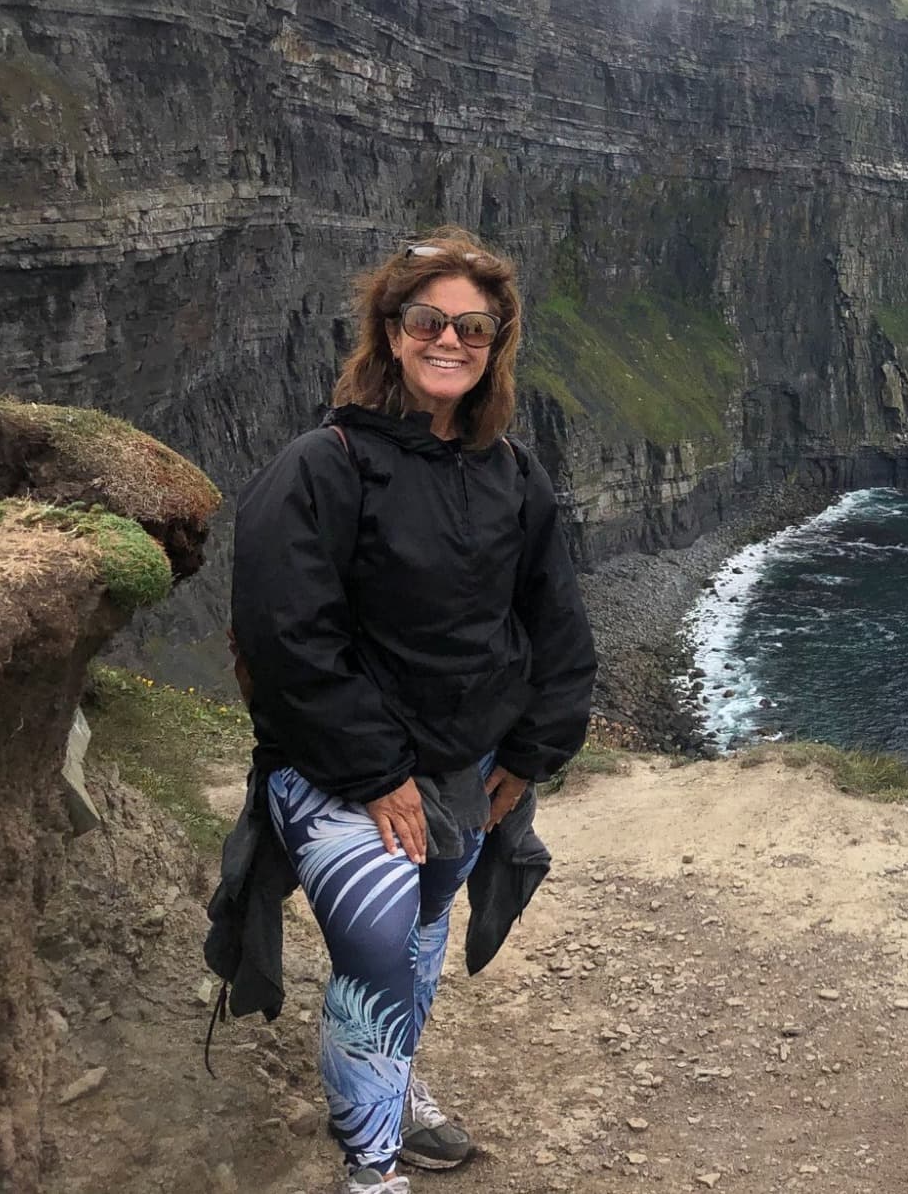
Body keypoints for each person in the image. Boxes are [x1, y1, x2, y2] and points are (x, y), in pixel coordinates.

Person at [229, 228, 596, 1193]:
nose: (450, 341)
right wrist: (376, 770)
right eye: (428, 321)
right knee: (382, 946)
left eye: (473, 328)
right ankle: (372, 1172)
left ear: (495, 344)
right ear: (390, 333)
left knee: (425, 933)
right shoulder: (324, 466)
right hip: (340, 770)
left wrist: (536, 747)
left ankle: (387, 1076)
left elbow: (554, 617)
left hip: (466, 768)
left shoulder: (512, 475)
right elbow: (284, 636)